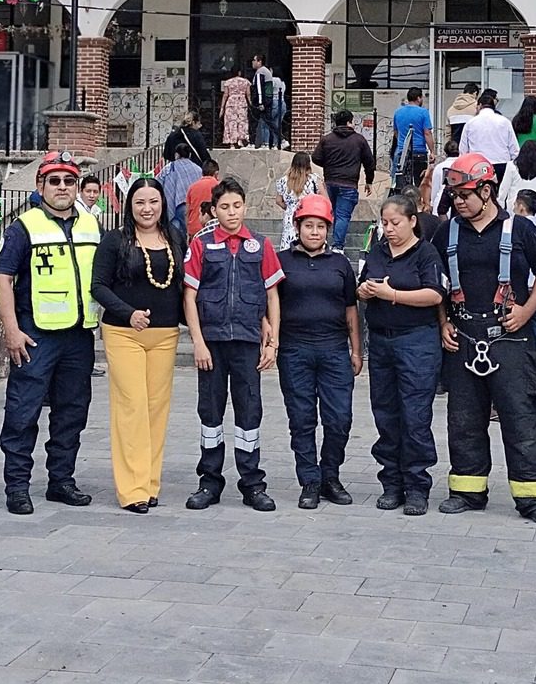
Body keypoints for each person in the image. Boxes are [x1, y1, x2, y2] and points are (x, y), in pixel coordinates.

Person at [429, 152, 536, 522]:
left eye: (466, 194)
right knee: (464, 419)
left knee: (521, 419)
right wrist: (443, 323)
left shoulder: (520, 230)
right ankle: (468, 490)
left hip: (512, 340)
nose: (458, 201)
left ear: (488, 190)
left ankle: (535, 497)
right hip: (466, 338)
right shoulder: (446, 232)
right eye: (454, 196)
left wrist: (526, 311)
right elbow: (435, 282)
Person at [0, 151, 102, 516]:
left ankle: (61, 481)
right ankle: (17, 485)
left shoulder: (90, 225)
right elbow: (2, 278)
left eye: (69, 181)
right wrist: (11, 329)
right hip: (35, 335)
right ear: (40, 186)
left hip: (78, 336)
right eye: (54, 181)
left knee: (72, 412)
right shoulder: (23, 227)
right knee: (23, 412)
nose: (62, 187)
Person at [183, 177, 284, 510]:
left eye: (236, 205)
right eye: (224, 207)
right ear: (213, 210)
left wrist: (273, 342)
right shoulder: (202, 244)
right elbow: (190, 295)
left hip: (246, 343)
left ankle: (252, 484)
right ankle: (209, 483)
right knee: (210, 414)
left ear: (245, 206)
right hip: (211, 343)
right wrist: (197, 341)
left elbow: (272, 294)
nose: (231, 213)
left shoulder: (260, 245)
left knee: (249, 412)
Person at [92, 175, 183, 514]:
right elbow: (98, 286)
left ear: (162, 204)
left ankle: (150, 483)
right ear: (129, 205)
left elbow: (183, 284)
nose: (147, 208)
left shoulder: (174, 236)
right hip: (124, 333)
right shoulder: (115, 241)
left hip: (165, 335)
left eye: (153, 202)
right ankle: (132, 490)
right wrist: (127, 313)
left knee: (156, 410)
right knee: (132, 407)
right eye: (140, 202)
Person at [358, 191, 445, 516]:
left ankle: (417, 485)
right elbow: (363, 281)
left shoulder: (426, 253)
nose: (389, 229)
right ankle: (391, 483)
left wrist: (392, 294)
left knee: (415, 415)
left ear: (412, 221)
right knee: (386, 412)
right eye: (384, 223)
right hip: (381, 341)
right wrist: (365, 289)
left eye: (395, 222)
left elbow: (434, 295)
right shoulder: (378, 251)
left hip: (416, 341)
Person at [276, 192, 362, 509]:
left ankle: (330, 477)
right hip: (294, 350)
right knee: (302, 419)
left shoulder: (340, 264)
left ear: (328, 229)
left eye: (321, 226)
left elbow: (351, 309)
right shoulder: (282, 262)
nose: (314, 232)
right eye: (308, 225)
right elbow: (270, 306)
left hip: (334, 350)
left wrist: (356, 350)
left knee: (339, 418)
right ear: (298, 227)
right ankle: (310, 481)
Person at [312, 108, 376, 248]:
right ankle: (337, 247)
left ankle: (324, 244)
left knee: (330, 213)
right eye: (352, 122)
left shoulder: (327, 139)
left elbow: (316, 158)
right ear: (349, 122)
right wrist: (369, 181)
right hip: (349, 184)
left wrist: (328, 165)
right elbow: (369, 162)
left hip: (330, 182)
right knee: (342, 216)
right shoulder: (359, 140)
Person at [459, 88, 521, 182]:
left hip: (478, 165)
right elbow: (514, 149)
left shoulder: (470, 123)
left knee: (480, 195)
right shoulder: (505, 122)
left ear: (479, 105)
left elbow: (463, 150)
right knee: (501, 194)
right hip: (502, 165)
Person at [274, 148, 321, 249]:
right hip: (308, 215)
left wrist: (290, 207)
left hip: (290, 217)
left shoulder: (283, 181)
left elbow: (278, 201)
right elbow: (324, 199)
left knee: (288, 247)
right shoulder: (313, 179)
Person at [391, 87, 436, 191]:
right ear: (419, 98)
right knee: (420, 184)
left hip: (402, 152)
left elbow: (396, 132)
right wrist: (432, 151)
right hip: (419, 152)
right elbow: (427, 133)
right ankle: (419, 204)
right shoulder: (423, 112)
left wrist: (402, 143)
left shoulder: (398, 112)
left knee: (402, 183)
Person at [157, 148, 202, 242]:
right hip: (194, 205)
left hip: (177, 204)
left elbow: (158, 181)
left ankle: (178, 250)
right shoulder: (197, 169)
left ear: (176, 154)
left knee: (176, 230)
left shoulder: (170, 167)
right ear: (189, 155)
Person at [249, 53, 279, 148]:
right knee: (268, 121)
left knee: (254, 120)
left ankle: (252, 142)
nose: (252, 62)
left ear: (259, 61)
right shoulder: (266, 71)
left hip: (263, 101)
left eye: (254, 60)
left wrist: (260, 102)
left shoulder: (260, 72)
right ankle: (280, 140)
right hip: (268, 99)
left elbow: (259, 88)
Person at [186, 156, 221, 236]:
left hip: (194, 229)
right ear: (216, 173)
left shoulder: (192, 187)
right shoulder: (220, 187)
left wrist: (187, 230)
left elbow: (187, 212)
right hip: (214, 230)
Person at [220, 67, 251, 147]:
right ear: (239, 72)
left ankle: (232, 143)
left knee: (231, 122)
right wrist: (250, 103)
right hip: (242, 102)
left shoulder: (228, 82)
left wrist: (222, 108)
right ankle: (241, 140)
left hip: (231, 102)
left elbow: (225, 95)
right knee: (242, 121)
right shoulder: (246, 82)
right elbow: (248, 94)